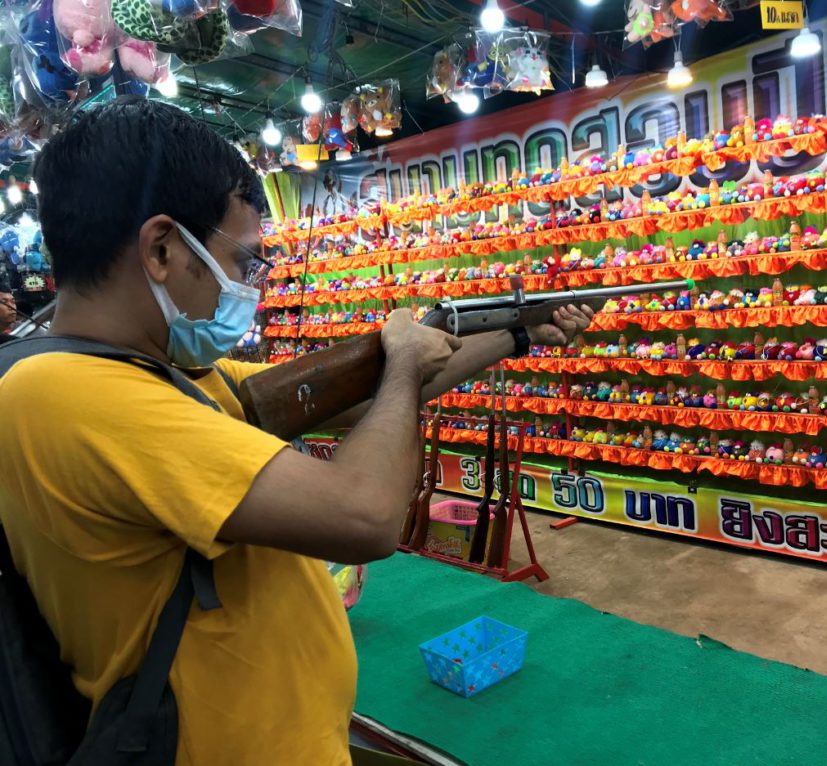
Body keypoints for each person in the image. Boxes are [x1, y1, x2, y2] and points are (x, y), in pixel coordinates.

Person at [0, 97, 592, 765]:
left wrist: (515, 333)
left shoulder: (160, 368)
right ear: (163, 249)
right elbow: (366, 514)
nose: (246, 286)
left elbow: (346, 397)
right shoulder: (76, 395)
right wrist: (400, 365)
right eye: (241, 262)